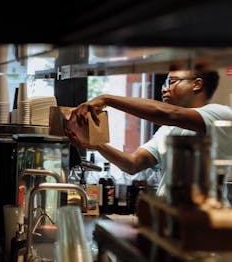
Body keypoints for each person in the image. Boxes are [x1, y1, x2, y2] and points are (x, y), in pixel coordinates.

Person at [66, 69, 232, 197]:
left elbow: (170, 114)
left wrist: (107, 99)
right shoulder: (167, 130)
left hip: (204, 218)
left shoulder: (219, 115)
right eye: (165, 83)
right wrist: (96, 144)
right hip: (170, 217)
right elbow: (133, 164)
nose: (165, 89)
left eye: (172, 82)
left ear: (197, 84)